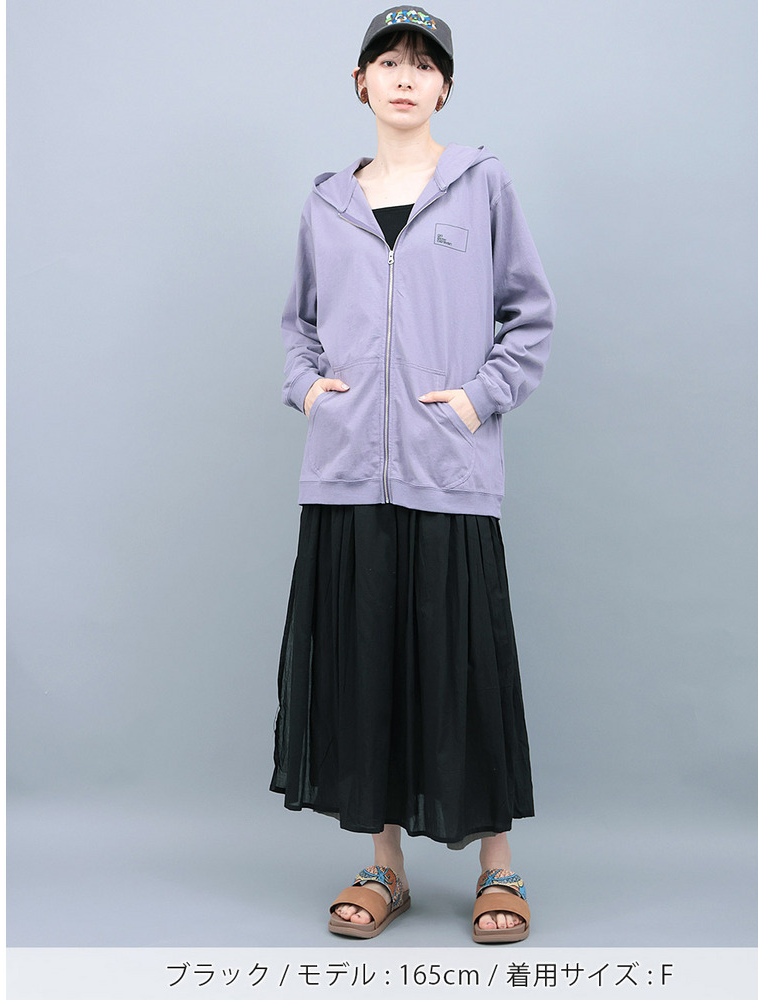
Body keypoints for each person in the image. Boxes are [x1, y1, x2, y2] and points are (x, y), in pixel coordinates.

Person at [269, 6, 556, 944]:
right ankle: (382, 866)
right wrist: (310, 392)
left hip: (447, 467)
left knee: (463, 667)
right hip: (347, 472)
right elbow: (297, 326)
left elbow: (531, 315)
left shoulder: (481, 185)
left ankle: (498, 868)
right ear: (361, 82)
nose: (404, 75)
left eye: (424, 64)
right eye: (388, 61)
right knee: (366, 669)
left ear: (444, 87)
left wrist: (479, 400)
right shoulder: (328, 202)